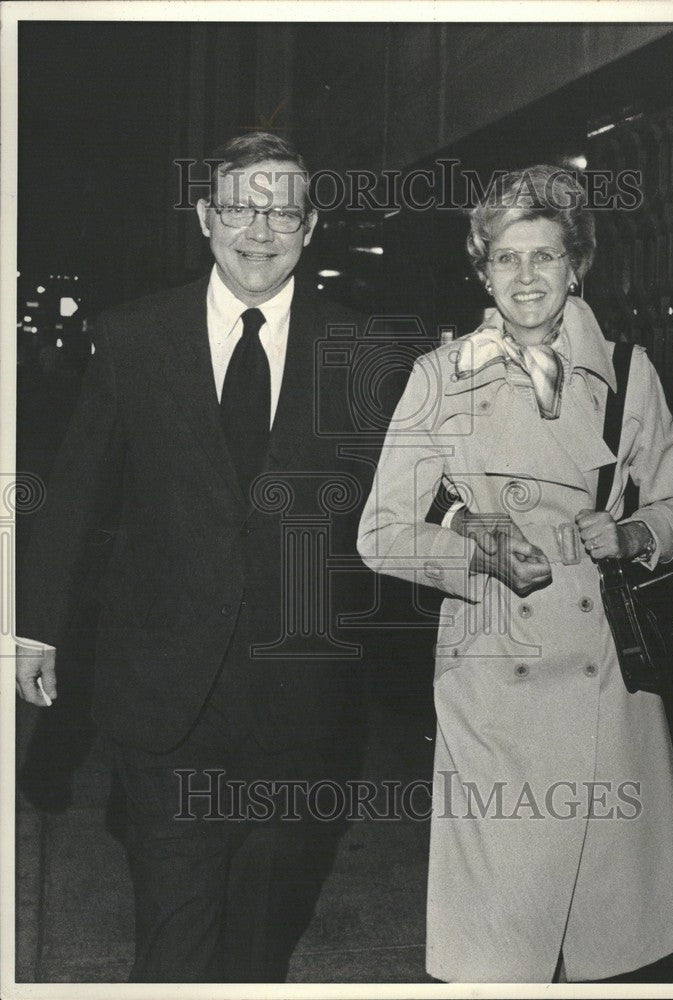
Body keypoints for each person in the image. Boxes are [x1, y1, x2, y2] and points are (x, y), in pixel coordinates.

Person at [16, 131, 369, 983]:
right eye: (242, 206)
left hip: (299, 697)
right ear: (207, 217)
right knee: (175, 940)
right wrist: (33, 630)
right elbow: (77, 494)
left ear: (310, 226)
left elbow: (402, 497)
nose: (261, 228)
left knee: (259, 945)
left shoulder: (363, 349)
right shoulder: (134, 336)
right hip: (163, 693)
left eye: (283, 209)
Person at [357, 165, 673, 983]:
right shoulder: (439, 377)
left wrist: (630, 532)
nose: (525, 279)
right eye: (506, 260)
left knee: (612, 944)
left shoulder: (628, 369)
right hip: (493, 683)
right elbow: (380, 531)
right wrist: (475, 549)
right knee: (504, 945)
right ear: (482, 271)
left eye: (543, 257)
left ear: (575, 264)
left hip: (606, 686)